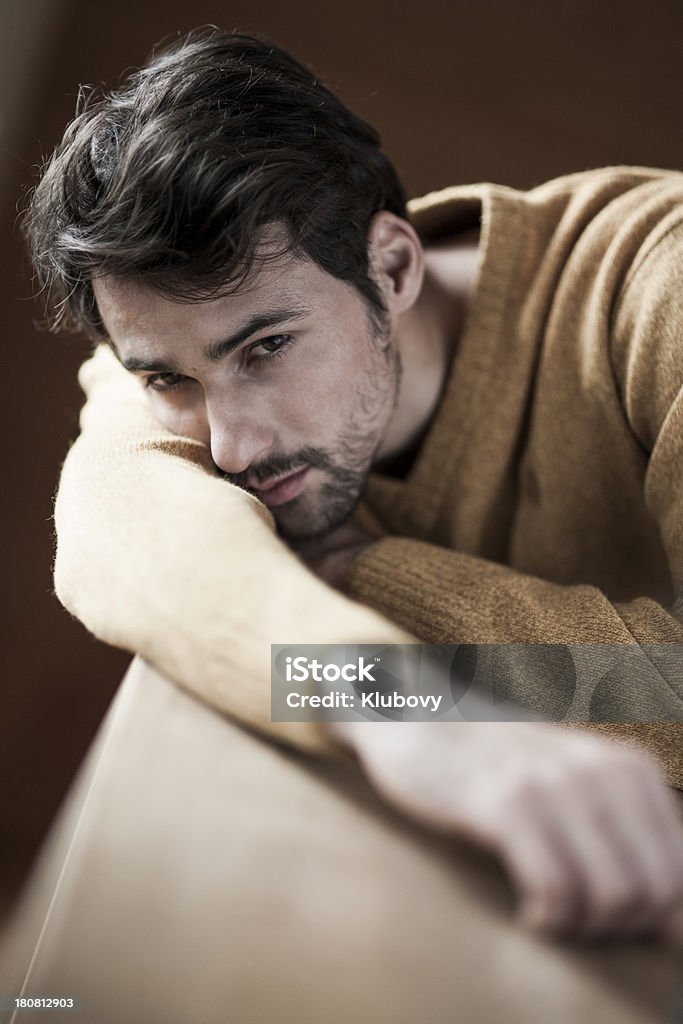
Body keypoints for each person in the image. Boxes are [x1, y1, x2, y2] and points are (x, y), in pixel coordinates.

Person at [24, 28, 683, 942]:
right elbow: (110, 533)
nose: (230, 447)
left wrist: (373, 573)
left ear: (393, 266)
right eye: (167, 381)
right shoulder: (177, 359)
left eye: (266, 350)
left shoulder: (659, 286)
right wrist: (404, 710)